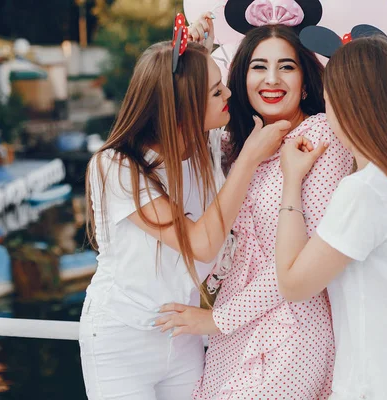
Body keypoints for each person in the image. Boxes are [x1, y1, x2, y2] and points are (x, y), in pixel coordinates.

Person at [79, 35, 291, 400]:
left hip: (183, 335)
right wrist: (250, 159)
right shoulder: (116, 167)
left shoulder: (206, 146)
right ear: (181, 107)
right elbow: (201, 244)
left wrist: (201, 46)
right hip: (122, 339)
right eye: (215, 92)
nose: (228, 95)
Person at [155, 17, 354, 399]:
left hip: (290, 329)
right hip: (231, 333)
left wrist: (215, 320)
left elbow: (302, 261)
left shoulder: (321, 136)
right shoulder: (237, 144)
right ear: (239, 79)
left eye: (287, 67)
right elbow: (175, 111)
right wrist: (195, 52)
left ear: (306, 79)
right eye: (258, 67)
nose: (272, 80)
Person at [275, 36, 387, 400]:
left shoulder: (364, 192)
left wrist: (291, 181)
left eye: (328, 101)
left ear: (347, 104)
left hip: (380, 387)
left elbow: (293, 284)